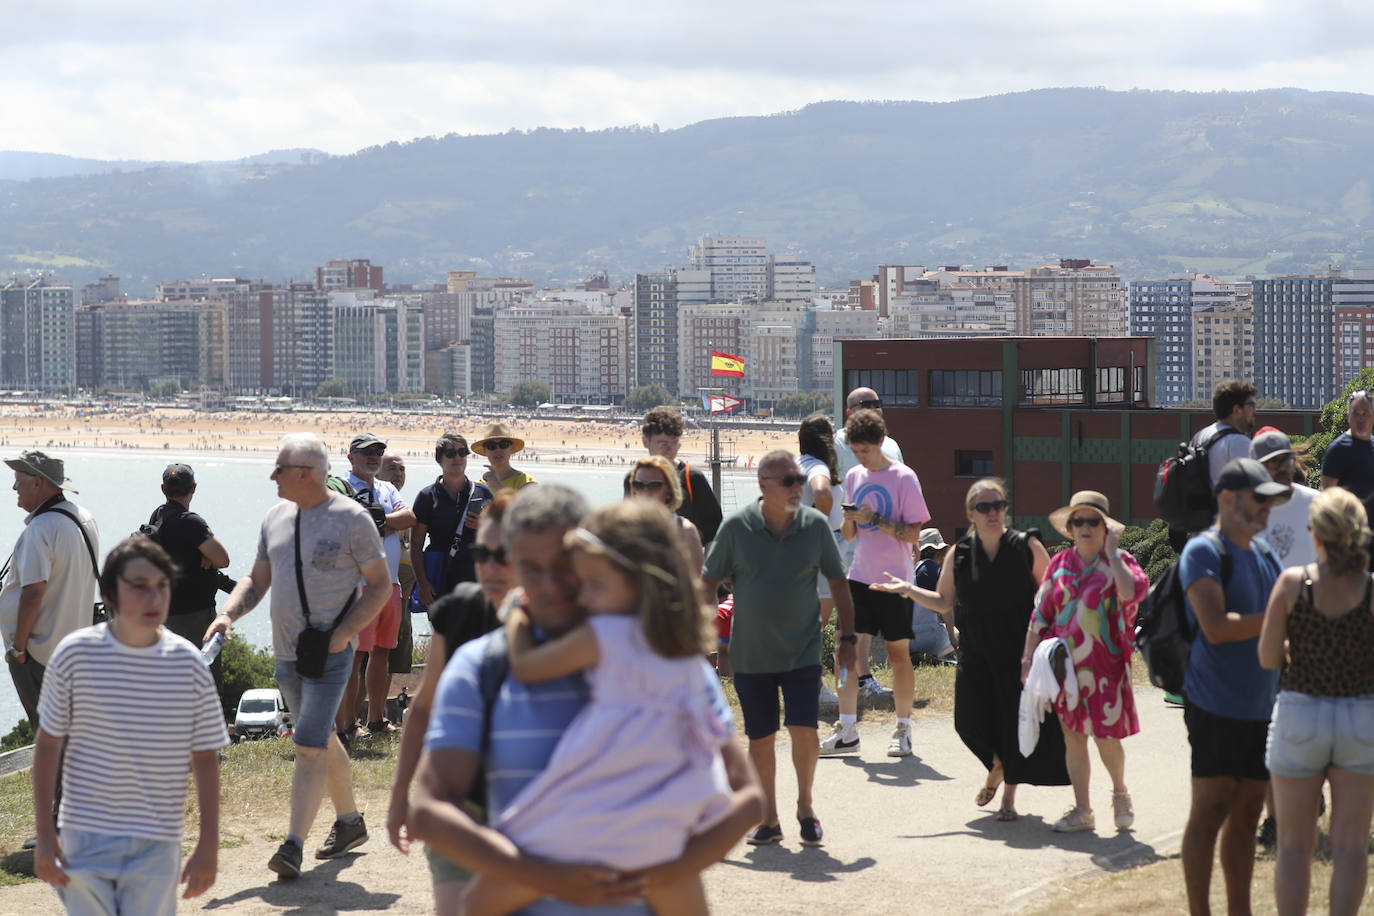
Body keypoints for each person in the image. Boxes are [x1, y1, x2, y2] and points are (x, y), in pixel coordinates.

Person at [410, 485, 764, 915]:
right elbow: (428, 811)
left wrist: (661, 873)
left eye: (562, 565)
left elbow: (746, 798)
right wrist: (542, 876)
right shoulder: (480, 667)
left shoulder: (663, 660)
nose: (549, 584)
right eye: (529, 567)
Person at [205, 433, 392, 879]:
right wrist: (228, 614)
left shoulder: (352, 520)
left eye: (279, 470)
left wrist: (345, 633)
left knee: (308, 745)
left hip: (330, 654)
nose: (272, 477)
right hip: (288, 654)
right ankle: (350, 822)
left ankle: (292, 845)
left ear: (305, 474)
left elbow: (380, 586)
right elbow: (257, 577)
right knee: (321, 736)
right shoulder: (276, 517)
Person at [32, 536, 227, 914]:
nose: (154, 599)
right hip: (82, 840)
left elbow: (204, 757)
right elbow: (48, 743)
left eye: (161, 587)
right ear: (108, 594)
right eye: (139, 588)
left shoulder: (188, 665)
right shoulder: (74, 655)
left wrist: (208, 845)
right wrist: (44, 832)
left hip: (156, 842)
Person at [882, 478, 1067, 820]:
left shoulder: (1026, 546)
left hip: (1017, 650)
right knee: (967, 723)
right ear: (971, 513)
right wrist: (907, 589)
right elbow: (943, 600)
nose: (993, 512)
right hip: (975, 651)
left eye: (998, 506)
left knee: (1012, 723)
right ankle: (996, 765)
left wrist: (1044, 622)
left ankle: (1008, 799)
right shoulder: (960, 553)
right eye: (985, 507)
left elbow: (1050, 589)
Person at [702, 450, 857, 846]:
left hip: (801, 651)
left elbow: (840, 583)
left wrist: (848, 639)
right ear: (762, 485)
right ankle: (768, 817)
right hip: (750, 654)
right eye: (787, 481)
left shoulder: (815, 526)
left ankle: (805, 806)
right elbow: (707, 581)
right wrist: (701, 637)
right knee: (761, 737)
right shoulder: (737, 528)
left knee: (804, 729)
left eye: (799, 481)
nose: (796, 488)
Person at [388, 489, 514, 915]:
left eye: (505, 555)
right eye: (484, 554)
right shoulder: (460, 609)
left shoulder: (563, 625)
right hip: (456, 806)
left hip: (525, 810)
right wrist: (399, 794)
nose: (490, 568)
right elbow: (423, 707)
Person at [1178, 457, 1288, 916]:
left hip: (1260, 707)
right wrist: (1283, 619)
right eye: (1259, 498)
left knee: (1245, 816)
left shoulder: (1266, 555)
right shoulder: (1203, 551)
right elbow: (1217, 627)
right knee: (1209, 814)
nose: (1268, 507)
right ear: (1228, 498)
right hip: (1215, 705)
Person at [1258, 487, 1374, 916]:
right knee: (1350, 846)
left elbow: (1268, 657)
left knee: (1292, 846)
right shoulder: (1371, 590)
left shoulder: (1293, 584)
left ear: (1316, 534)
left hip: (1300, 712)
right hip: (1360, 716)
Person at [1023, 491, 1149, 833]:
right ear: (1070, 528)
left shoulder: (1120, 561)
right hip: (1065, 669)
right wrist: (1027, 658)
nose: (1084, 527)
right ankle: (1083, 809)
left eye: (1092, 521)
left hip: (1106, 668)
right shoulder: (1060, 563)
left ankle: (1120, 792)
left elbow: (1132, 593)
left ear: (1106, 527)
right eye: (1077, 521)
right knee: (1073, 736)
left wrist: (1111, 553)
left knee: (1106, 736)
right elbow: (1040, 614)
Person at [825, 409, 927, 758]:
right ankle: (846, 727)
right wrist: (851, 522)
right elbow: (850, 532)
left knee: (899, 656)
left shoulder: (904, 478)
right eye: (855, 451)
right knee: (844, 654)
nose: (860, 458)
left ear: (880, 442)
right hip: (859, 575)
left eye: (865, 450)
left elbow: (914, 533)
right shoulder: (853, 475)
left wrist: (875, 519)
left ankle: (903, 728)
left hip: (895, 580)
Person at [1, 450, 100, 727]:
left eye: (18, 480)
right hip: (73, 650)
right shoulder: (83, 517)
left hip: (39, 653)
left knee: (48, 735)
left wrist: (18, 649)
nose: (13, 488)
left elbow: (33, 594)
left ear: (38, 483)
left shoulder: (41, 528)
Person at [337, 433, 416, 738]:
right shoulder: (342, 487)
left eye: (378, 452)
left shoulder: (384, 488)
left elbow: (409, 516)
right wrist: (384, 523)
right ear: (350, 457)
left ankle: (375, 719)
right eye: (365, 452)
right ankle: (346, 723)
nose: (373, 457)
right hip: (360, 586)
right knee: (356, 655)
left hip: (391, 585)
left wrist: (379, 523)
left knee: (382, 652)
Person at [833, 386, 904, 700]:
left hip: (884, 546)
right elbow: (833, 491)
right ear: (850, 411)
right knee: (844, 619)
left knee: (863, 620)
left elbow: (900, 492)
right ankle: (849, 681)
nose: (876, 407)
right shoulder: (836, 443)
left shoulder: (892, 445)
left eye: (879, 402)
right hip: (845, 543)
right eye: (867, 404)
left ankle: (859, 681)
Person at [143, 463, 231, 695]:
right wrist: (206, 553)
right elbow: (223, 559)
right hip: (195, 617)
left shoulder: (158, 515)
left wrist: (201, 552)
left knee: (169, 684)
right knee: (203, 683)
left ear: (163, 489)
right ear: (194, 488)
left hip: (163, 614)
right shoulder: (191, 522)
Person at [411, 433, 494, 612]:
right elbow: (416, 544)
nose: (457, 457)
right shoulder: (427, 496)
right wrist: (423, 583)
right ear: (439, 459)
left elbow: (500, 538)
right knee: (445, 638)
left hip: (476, 582)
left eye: (462, 452)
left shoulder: (483, 493)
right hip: (441, 581)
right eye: (450, 453)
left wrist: (483, 527)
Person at [797, 413, 845, 701]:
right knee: (816, 625)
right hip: (822, 550)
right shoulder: (818, 468)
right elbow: (822, 492)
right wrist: (820, 523)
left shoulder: (796, 464)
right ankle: (813, 687)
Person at [627, 406, 722, 545]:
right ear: (645, 441)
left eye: (674, 444)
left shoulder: (692, 478)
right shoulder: (634, 479)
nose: (669, 451)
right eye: (663, 444)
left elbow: (714, 533)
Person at [628, 455, 704, 576]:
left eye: (654, 486)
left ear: (669, 491)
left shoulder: (685, 531)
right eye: (638, 485)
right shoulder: (623, 529)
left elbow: (699, 588)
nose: (645, 492)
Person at [377, 453, 416, 691]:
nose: (398, 474)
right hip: (375, 594)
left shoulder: (406, 510)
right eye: (391, 468)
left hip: (402, 599)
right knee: (364, 658)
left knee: (392, 660)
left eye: (402, 470)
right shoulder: (368, 502)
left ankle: (377, 716)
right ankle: (352, 719)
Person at [909, 528, 956, 666]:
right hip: (929, 636)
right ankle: (934, 656)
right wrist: (953, 638)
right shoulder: (934, 570)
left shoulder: (909, 570)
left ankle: (920, 656)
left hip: (904, 639)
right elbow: (945, 607)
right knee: (958, 633)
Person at [1321, 388, 1374, 508]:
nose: (1361, 419)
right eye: (1356, 413)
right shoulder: (1337, 450)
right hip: (1348, 525)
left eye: (1365, 413)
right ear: (1348, 416)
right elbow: (1326, 499)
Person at [473, 422, 538, 492]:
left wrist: (495, 483)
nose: (498, 450)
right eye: (491, 446)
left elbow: (522, 503)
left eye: (503, 445)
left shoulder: (526, 482)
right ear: (485, 450)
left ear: (511, 448)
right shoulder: (480, 487)